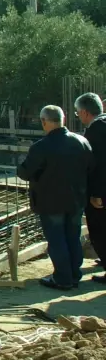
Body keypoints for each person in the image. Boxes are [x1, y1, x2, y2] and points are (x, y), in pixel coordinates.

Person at [17, 105, 94, 290]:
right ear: (63, 119)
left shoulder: (41, 147)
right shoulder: (81, 141)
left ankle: (62, 278)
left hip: (51, 202)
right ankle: (74, 275)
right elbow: (91, 168)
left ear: (44, 122)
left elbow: (25, 172)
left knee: (57, 239)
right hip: (76, 201)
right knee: (72, 237)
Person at [74, 93, 106, 283]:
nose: (79, 116)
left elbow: (99, 166)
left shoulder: (96, 130)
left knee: (100, 229)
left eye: (78, 113)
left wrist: (96, 194)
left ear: (85, 112)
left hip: (101, 192)